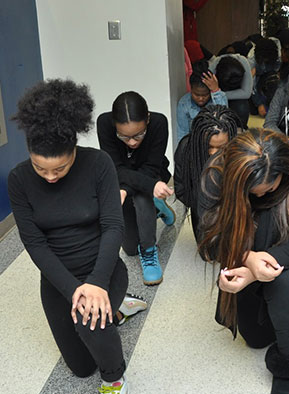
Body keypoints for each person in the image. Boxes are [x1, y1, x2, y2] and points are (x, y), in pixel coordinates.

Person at [7, 79, 130, 394]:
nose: (49, 177)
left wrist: (95, 283)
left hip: (103, 270)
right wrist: (75, 289)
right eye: (40, 167)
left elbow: (113, 228)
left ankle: (116, 382)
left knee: (89, 322)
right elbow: (35, 244)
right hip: (60, 282)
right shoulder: (18, 179)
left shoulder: (99, 165)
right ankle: (117, 309)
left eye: (58, 169)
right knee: (80, 367)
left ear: (74, 150)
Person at [198, 128, 289, 394]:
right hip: (248, 249)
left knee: (287, 284)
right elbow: (209, 237)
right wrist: (247, 260)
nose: (260, 197)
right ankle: (287, 295)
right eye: (251, 193)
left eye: (269, 190)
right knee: (255, 338)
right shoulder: (216, 172)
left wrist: (261, 267)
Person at [97, 91, 175, 285]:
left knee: (141, 199)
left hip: (151, 175)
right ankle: (158, 206)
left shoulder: (158, 123)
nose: (132, 142)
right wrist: (123, 189)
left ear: (147, 119)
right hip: (123, 178)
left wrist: (137, 188)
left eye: (139, 135)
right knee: (131, 249)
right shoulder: (104, 123)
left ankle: (149, 251)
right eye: (124, 136)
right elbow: (115, 167)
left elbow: (150, 169)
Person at [173, 105, 241, 240]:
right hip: (199, 208)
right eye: (208, 146)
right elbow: (181, 189)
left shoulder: (239, 150)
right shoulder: (186, 148)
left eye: (221, 147)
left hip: (232, 208)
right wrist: (202, 204)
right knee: (207, 251)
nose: (213, 153)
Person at [177, 61, 228, 141]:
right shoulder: (184, 103)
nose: (201, 99)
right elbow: (182, 133)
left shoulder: (219, 96)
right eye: (196, 95)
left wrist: (216, 91)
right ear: (191, 89)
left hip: (217, 140)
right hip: (195, 142)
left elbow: (225, 122)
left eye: (205, 95)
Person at [209, 53, 253, 126]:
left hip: (232, 95)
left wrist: (220, 94)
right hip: (217, 93)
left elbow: (247, 93)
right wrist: (217, 94)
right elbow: (207, 92)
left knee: (242, 106)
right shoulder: (213, 67)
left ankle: (241, 129)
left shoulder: (244, 62)